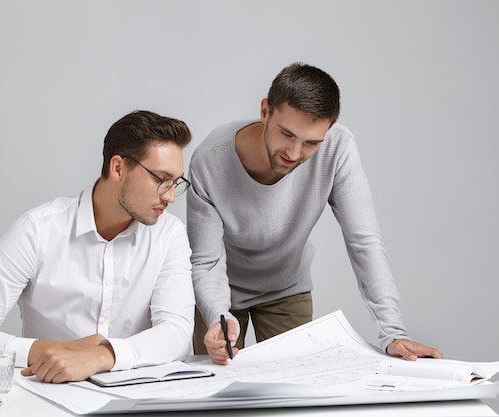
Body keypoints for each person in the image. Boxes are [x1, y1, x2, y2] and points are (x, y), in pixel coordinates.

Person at [187, 62, 442, 365]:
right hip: (219, 293)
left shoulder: (338, 148)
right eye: (287, 134)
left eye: (311, 143)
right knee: (217, 395)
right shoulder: (210, 159)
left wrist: (393, 333)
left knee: (294, 395)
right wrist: (217, 315)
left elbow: (364, 241)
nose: (294, 154)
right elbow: (207, 260)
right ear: (265, 111)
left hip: (286, 289)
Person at [0, 110, 195, 383]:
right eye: (160, 179)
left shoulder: (169, 235)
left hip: (138, 401)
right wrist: (51, 351)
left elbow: (177, 333)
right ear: (119, 168)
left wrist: (101, 356)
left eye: (175, 182)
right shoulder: (38, 230)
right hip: (49, 397)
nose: (170, 196)